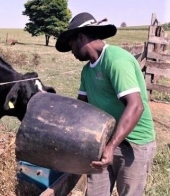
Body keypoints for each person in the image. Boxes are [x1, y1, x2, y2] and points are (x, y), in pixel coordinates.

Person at [55, 12, 157, 196]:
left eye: (71, 44)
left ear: (81, 37)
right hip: (103, 141)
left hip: (134, 142)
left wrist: (111, 147)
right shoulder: (87, 71)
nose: (71, 51)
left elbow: (135, 106)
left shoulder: (116, 60)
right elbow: (81, 109)